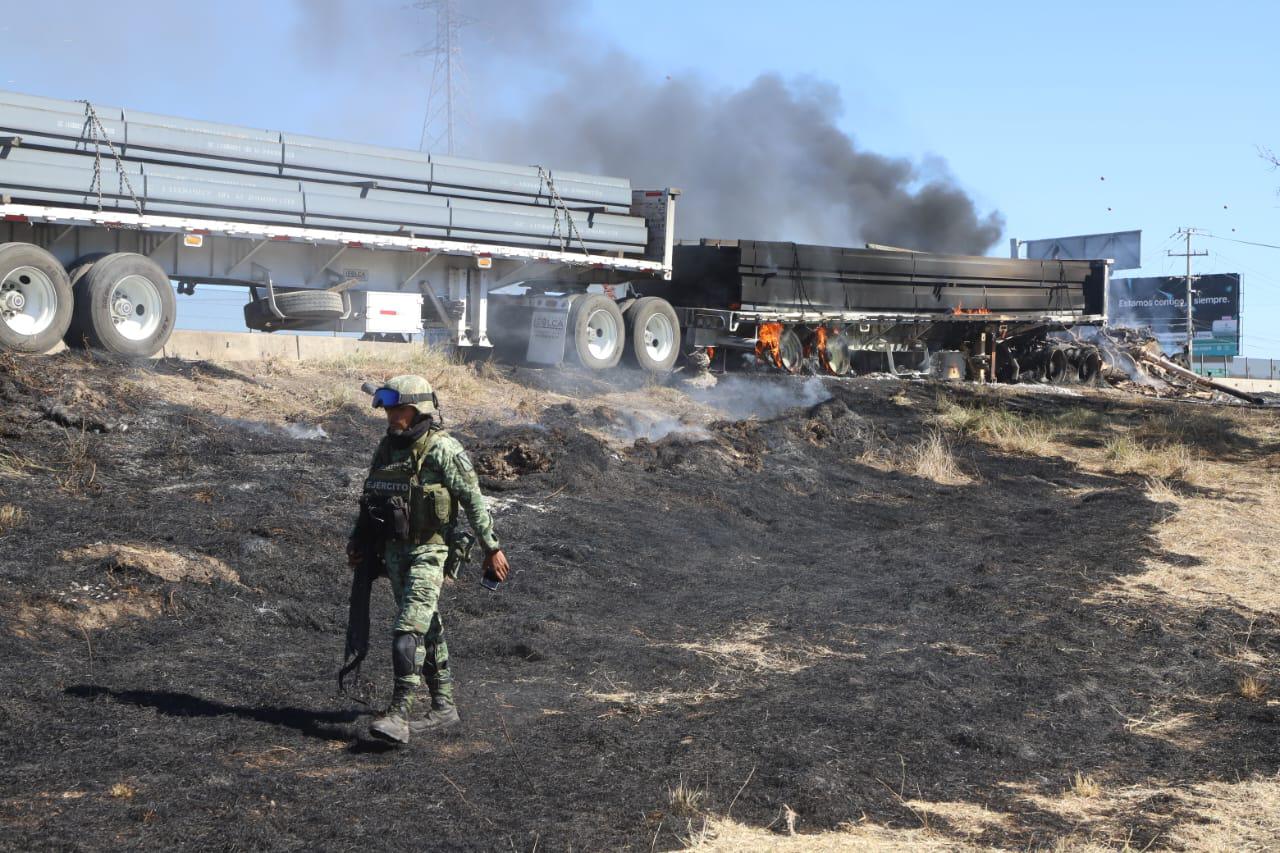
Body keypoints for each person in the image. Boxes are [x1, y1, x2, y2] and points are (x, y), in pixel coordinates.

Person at [347, 374, 510, 744]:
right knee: (427, 626)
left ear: (417, 409)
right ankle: (443, 707)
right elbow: (370, 496)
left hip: (430, 552)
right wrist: (358, 539)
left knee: (407, 631)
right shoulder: (387, 449)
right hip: (394, 553)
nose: (390, 415)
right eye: (387, 408)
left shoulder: (444, 450)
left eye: (397, 408)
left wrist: (492, 548)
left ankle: (399, 713)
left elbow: (473, 500)